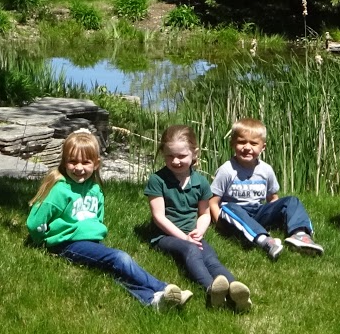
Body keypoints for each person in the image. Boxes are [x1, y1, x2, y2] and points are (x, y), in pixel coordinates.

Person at [26, 129, 191, 309]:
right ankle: (163, 287)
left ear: (96, 164)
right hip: (66, 244)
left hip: (91, 243)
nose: (79, 168)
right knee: (120, 258)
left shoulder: (95, 189)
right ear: (64, 162)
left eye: (85, 162)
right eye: (72, 162)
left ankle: (153, 300)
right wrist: (42, 241)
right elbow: (35, 221)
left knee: (114, 270)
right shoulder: (60, 190)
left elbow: (97, 217)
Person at [145, 125, 252, 312]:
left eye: (181, 156)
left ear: (194, 153)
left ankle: (236, 290)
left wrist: (199, 231)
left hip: (192, 234)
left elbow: (204, 213)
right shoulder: (157, 180)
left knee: (211, 259)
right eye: (170, 156)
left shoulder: (200, 182)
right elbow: (158, 216)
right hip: (165, 236)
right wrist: (184, 238)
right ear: (163, 153)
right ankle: (212, 290)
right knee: (191, 251)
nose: (176, 161)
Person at [209, 117, 323, 260]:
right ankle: (265, 241)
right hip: (235, 215)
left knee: (292, 201)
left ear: (263, 147)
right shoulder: (227, 170)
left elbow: (273, 199)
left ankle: (300, 234)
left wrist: (276, 213)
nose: (247, 147)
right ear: (233, 144)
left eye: (254, 143)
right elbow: (213, 202)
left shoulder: (266, 170)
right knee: (229, 207)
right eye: (241, 142)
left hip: (257, 211)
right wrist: (220, 226)